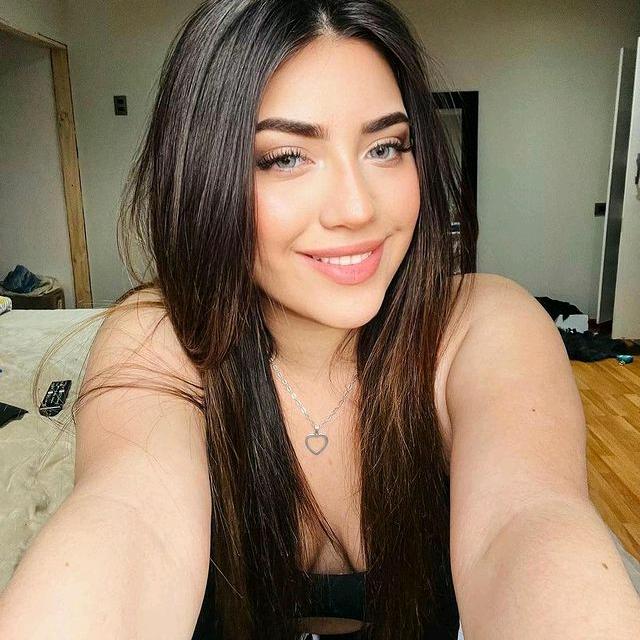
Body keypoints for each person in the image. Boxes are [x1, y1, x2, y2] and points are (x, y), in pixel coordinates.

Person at [1, 1, 639, 639]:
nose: (357, 208)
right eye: (286, 157)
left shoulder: (481, 326)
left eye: (385, 147)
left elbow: (527, 523)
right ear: (202, 177)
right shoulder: (160, 338)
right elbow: (128, 524)